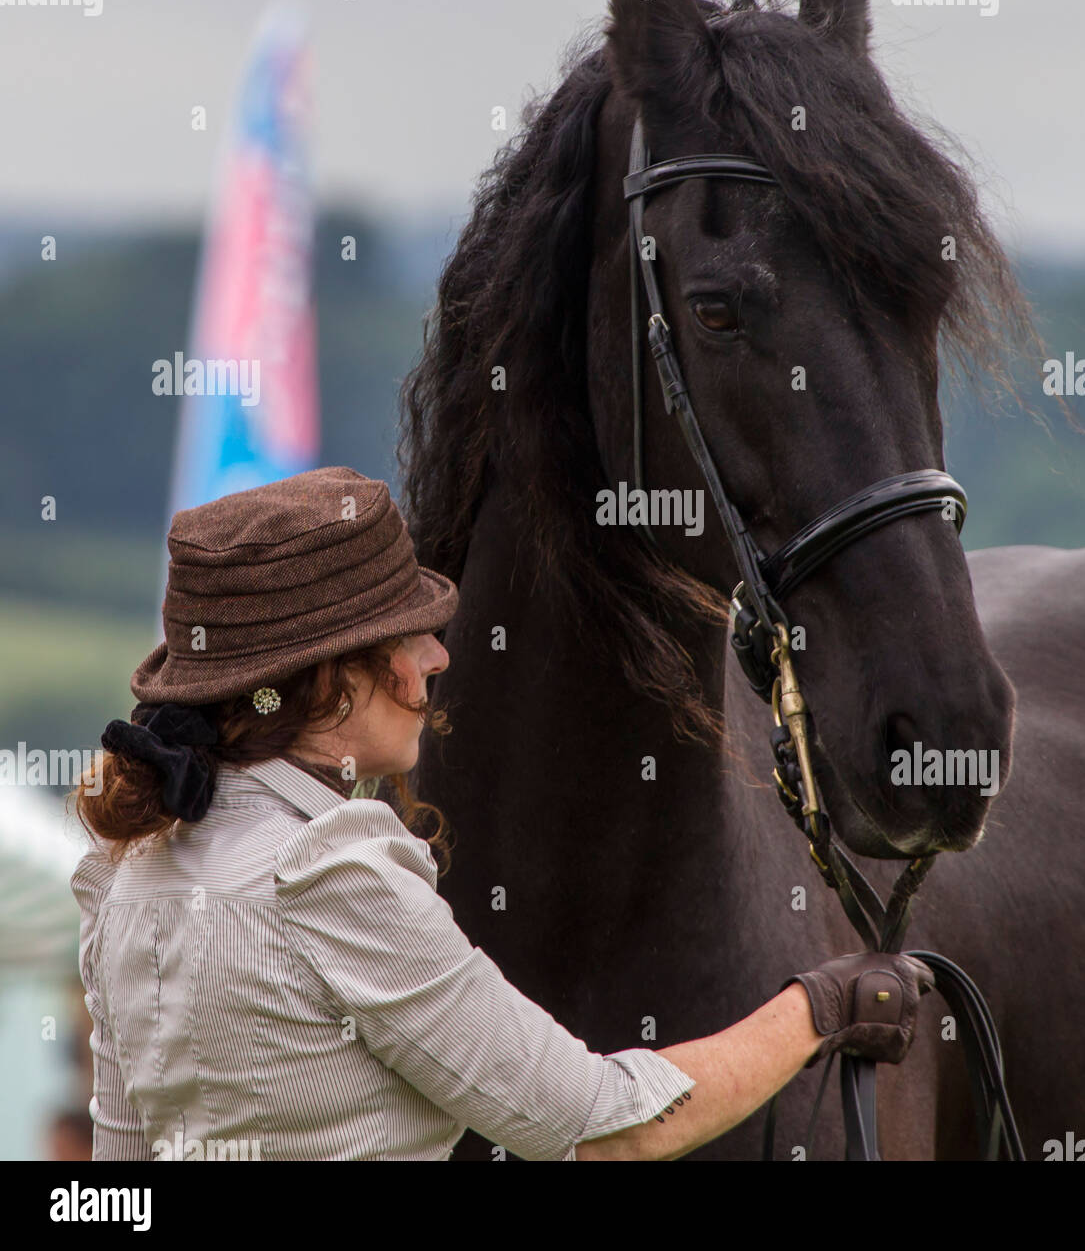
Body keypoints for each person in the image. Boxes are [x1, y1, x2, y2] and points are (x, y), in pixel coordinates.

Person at [70, 467, 932, 1161]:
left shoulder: (125, 880)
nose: (440, 656)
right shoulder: (331, 872)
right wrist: (817, 1009)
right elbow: (608, 1129)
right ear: (330, 681)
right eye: (407, 638)